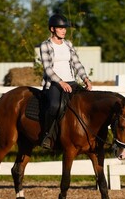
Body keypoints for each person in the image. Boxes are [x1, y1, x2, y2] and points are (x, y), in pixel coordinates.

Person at [39, 13, 92, 149]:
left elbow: (77, 63)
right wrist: (61, 82)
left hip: (72, 82)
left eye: (65, 28)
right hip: (55, 84)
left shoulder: (68, 44)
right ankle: (47, 136)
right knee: (54, 106)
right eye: (60, 28)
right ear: (52, 29)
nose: (64, 30)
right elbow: (47, 69)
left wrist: (85, 78)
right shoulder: (45, 45)